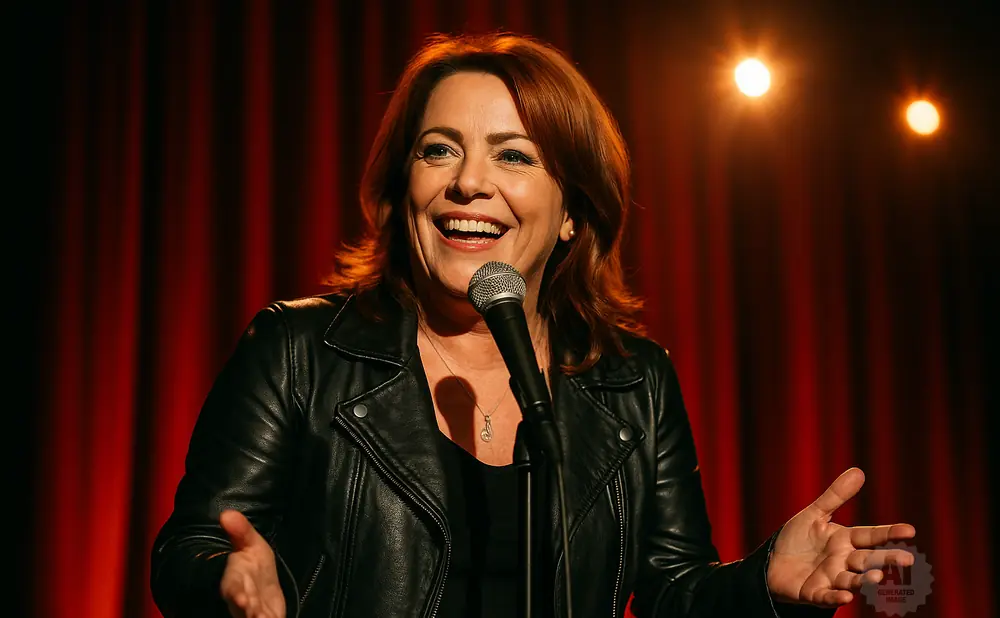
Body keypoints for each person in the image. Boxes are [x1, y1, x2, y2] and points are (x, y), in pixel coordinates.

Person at [151, 33, 916, 618]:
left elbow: (668, 590)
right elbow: (190, 545)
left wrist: (764, 585)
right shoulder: (300, 351)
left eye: (513, 155)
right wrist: (226, 578)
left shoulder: (633, 382)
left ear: (573, 213)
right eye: (438, 149)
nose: (469, 183)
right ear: (402, 185)